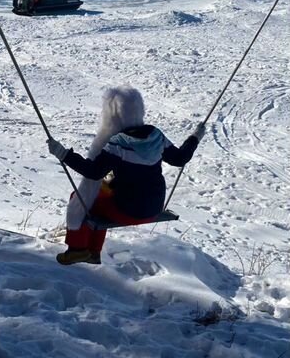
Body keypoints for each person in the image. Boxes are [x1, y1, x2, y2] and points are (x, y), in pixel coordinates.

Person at [46, 86, 205, 265]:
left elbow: (94, 172)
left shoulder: (118, 143)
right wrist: (194, 138)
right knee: (103, 193)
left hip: (129, 211)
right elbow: (179, 158)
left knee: (82, 199)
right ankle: (93, 253)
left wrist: (64, 154)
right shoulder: (156, 135)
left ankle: (78, 250)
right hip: (154, 207)